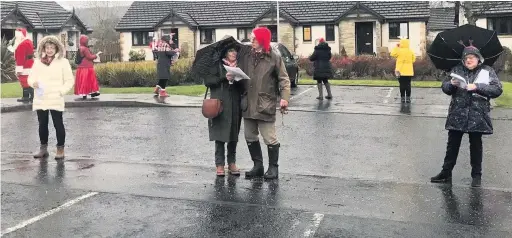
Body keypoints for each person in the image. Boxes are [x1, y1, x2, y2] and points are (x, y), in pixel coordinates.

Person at [430, 43, 503, 187]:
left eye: (472, 58)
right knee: (452, 145)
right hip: (458, 113)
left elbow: (497, 89)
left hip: (478, 115)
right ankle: (446, 173)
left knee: (476, 146)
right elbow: (445, 88)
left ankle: (476, 175)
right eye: (466, 58)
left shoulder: (487, 71)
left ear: (478, 59)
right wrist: (451, 84)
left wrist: (477, 87)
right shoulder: (457, 70)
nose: (469, 60)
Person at [238, 27, 291, 180]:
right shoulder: (246, 55)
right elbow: (239, 72)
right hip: (248, 102)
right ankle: (258, 166)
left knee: (269, 138)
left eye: (254, 38)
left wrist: (285, 97)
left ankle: (273, 168)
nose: (251, 41)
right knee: (250, 136)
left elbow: (284, 79)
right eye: (251, 38)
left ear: (262, 40)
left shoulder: (274, 57)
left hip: (265, 103)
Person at [27, 35, 74, 160]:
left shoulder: (63, 62)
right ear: (43, 48)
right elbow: (30, 78)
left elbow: (69, 81)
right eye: (47, 47)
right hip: (41, 98)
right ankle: (43, 148)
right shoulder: (37, 62)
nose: (49, 50)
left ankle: (60, 148)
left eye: (52, 47)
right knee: (42, 124)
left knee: (58, 123)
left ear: (57, 48)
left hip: (55, 97)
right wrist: (33, 83)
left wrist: (61, 92)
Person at [204, 48, 243, 176]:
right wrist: (223, 77)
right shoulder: (216, 65)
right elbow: (208, 81)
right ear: (225, 52)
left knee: (233, 134)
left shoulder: (240, 65)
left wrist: (239, 78)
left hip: (235, 104)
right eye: (231, 51)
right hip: (219, 104)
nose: (234, 53)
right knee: (219, 135)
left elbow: (245, 84)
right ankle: (219, 164)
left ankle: (232, 163)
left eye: (235, 51)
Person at [75, 35, 101, 100]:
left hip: (81, 67)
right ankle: (92, 92)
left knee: (83, 81)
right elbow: (89, 57)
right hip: (87, 67)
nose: (87, 42)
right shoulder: (85, 48)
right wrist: (96, 55)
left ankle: (85, 94)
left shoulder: (80, 48)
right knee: (89, 80)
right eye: (87, 40)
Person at [12, 28, 35, 103]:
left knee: (24, 81)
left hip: (24, 64)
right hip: (30, 63)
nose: (16, 37)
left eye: (17, 35)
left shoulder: (21, 44)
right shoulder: (28, 42)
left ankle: (28, 97)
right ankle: (30, 97)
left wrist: (19, 69)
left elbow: (20, 57)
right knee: (28, 80)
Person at [391, 38, 416, 103]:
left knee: (401, 84)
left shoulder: (399, 51)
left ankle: (402, 97)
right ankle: (408, 98)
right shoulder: (410, 51)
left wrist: (396, 47)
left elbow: (392, 54)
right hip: (409, 71)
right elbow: (414, 60)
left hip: (399, 71)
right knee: (408, 84)